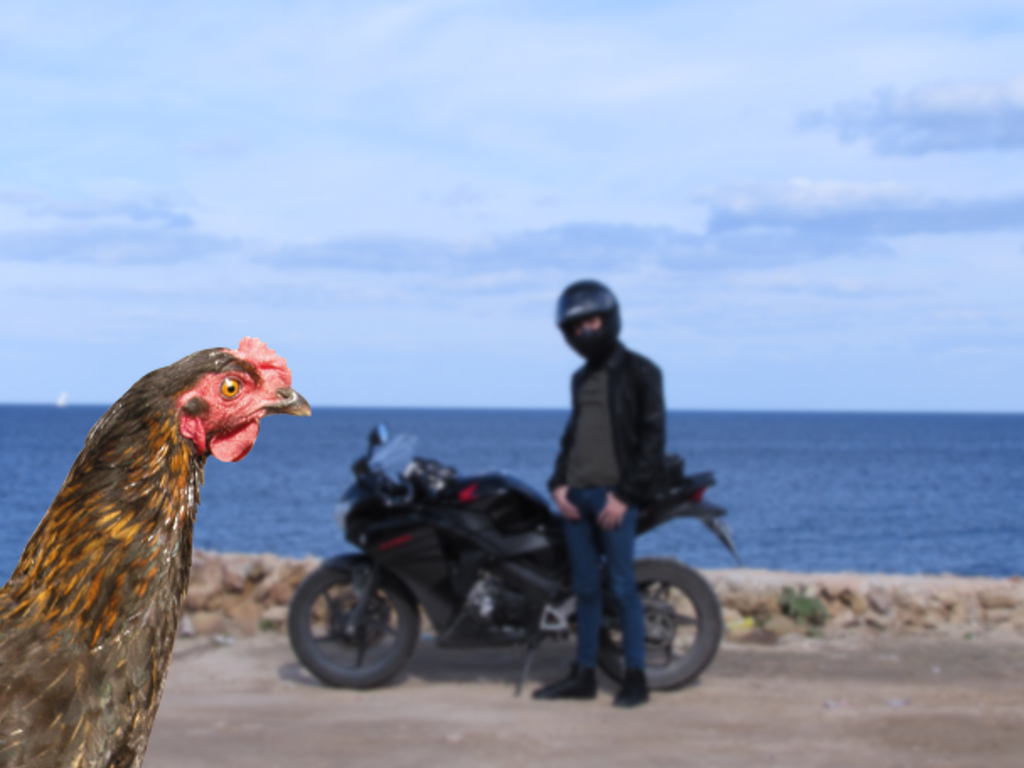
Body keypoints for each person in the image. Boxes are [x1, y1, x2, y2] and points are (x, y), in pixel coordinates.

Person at [533, 280, 665, 708]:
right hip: (578, 500)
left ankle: (636, 678)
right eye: (576, 325)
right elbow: (572, 436)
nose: (586, 330)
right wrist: (557, 484)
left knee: (623, 588)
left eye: (592, 320)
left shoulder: (643, 372)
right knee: (586, 590)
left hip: (613, 499)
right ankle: (584, 675)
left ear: (608, 318)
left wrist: (624, 495)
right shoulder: (579, 378)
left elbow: (652, 441)